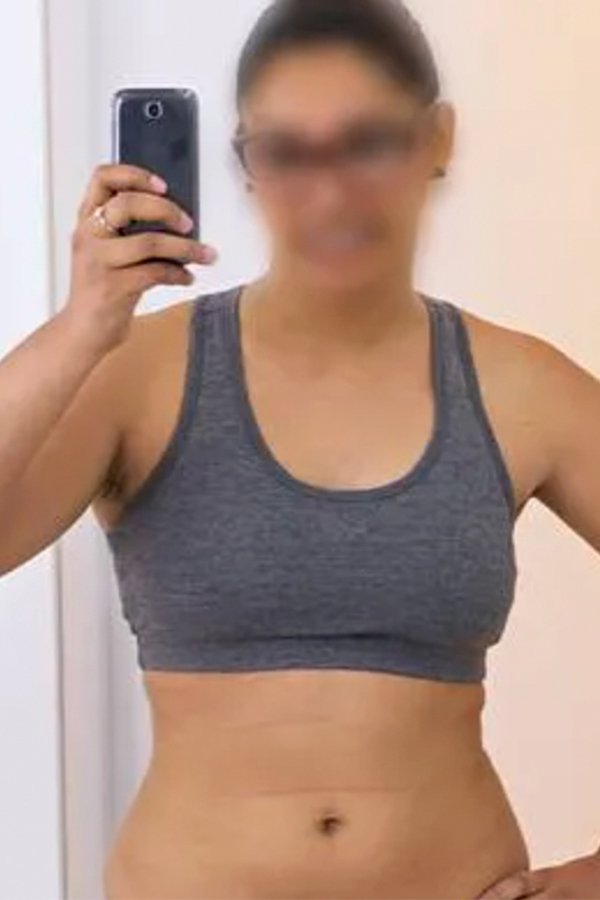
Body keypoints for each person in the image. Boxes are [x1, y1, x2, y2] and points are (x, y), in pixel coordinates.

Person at [1, 0, 600, 897]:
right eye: (286, 152)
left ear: (437, 139)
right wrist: (83, 324)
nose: (329, 193)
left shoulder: (521, 385)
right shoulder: (135, 371)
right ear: (244, 163)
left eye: (367, 143)